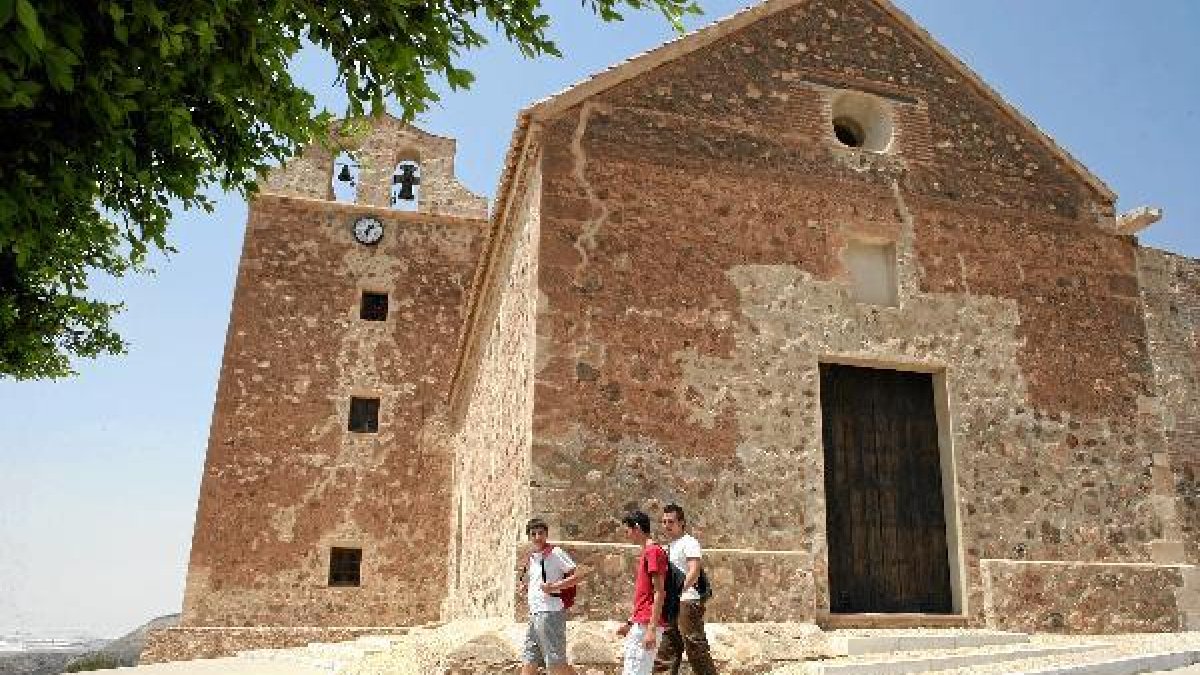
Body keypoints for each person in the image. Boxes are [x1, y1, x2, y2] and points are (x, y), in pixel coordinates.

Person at [654, 504, 718, 675]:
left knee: (695, 646)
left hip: (687, 601)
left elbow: (694, 571)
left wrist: (677, 593)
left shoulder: (689, 543)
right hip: (673, 603)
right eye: (664, 522)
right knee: (666, 649)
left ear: (681, 523)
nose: (666, 525)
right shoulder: (670, 546)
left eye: (671, 522)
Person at [522, 517, 581, 675]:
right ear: (529, 537)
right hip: (535, 613)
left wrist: (555, 587)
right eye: (533, 534)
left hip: (551, 613)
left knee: (556, 663)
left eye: (540, 533)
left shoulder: (555, 553)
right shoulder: (533, 557)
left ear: (546, 534)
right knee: (529, 660)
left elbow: (578, 576)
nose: (537, 537)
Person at [617, 510, 668, 675]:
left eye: (627, 531)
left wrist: (651, 629)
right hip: (641, 623)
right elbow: (646, 595)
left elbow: (659, 592)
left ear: (637, 528)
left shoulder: (653, 552)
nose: (626, 535)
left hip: (647, 625)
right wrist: (631, 623)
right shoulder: (648, 551)